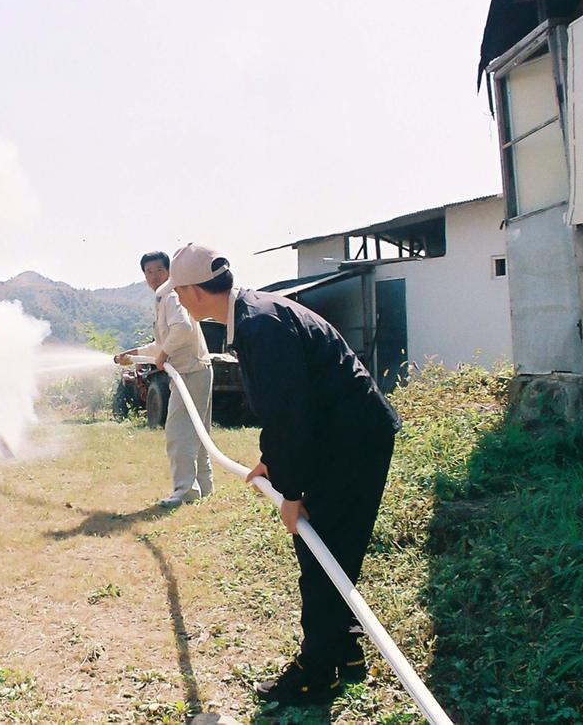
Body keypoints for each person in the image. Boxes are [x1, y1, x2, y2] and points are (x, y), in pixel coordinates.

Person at [161, 242, 401, 707]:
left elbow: (292, 415)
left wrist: (291, 493)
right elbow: (286, 408)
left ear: (191, 292)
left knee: (320, 553)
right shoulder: (252, 317)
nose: (180, 301)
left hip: (351, 443)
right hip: (347, 436)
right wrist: (272, 461)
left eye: (179, 292)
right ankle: (346, 652)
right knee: (332, 550)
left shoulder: (260, 326)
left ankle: (317, 674)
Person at [114, 250, 214, 507]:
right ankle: (204, 488)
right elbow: (161, 343)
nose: (154, 276)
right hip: (194, 369)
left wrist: (164, 354)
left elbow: (181, 328)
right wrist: (134, 354)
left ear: (169, 271)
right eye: (148, 272)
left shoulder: (171, 296)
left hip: (190, 371)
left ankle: (185, 492)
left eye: (159, 270)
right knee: (197, 432)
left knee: (179, 432)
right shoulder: (165, 297)